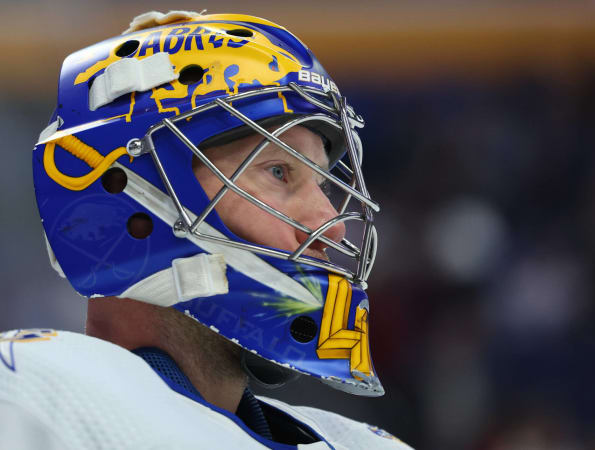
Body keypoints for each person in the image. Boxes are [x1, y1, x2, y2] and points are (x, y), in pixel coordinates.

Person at [1, 10, 410, 449]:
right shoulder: (31, 395)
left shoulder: (361, 443)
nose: (331, 227)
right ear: (126, 194)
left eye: (324, 184)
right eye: (278, 172)